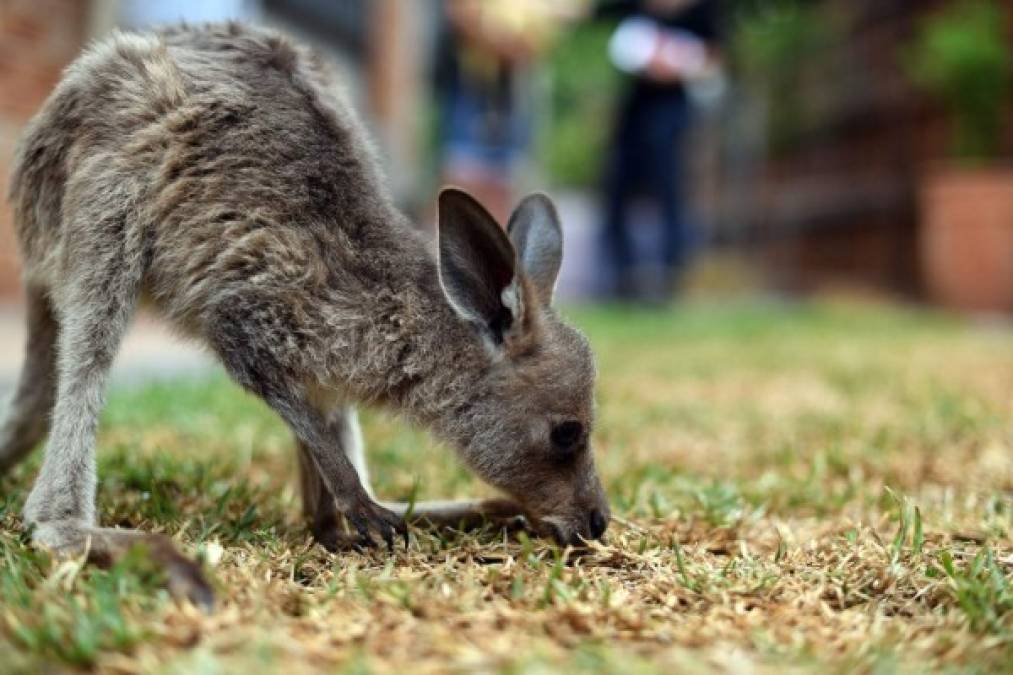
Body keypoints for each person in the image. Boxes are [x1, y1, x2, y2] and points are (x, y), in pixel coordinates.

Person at [598, 0, 722, 300]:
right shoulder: (636, 9)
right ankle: (622, 275)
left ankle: (672, 275)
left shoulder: (703, 12)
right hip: (635, 112)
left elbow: (714, 58)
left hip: (672, 112)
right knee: (617, 191)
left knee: (672, 192)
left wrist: (679, 65)